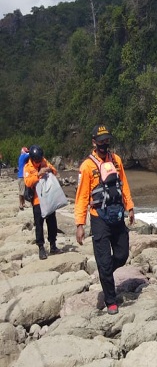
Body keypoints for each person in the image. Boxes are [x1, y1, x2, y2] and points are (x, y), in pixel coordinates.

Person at [74, 124, 135, 315]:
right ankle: (111, 301)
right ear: (94, 142)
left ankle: (105, 270)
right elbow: (82, 196)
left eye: (106, 140)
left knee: (122, 254)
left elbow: (123, 184)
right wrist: (80, 224)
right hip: (98, 218)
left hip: (117, 214)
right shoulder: (87, 166)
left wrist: (130, 207)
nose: (104, 144)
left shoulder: (116, 161)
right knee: (103, 260)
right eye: (100, 141)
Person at [23, 145, 61, 259]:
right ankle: (41, 247)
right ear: (32, 159)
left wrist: (49, 169)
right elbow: (28, 182)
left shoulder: (44, 161)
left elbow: (54, 171)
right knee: (39, 224)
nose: (39, 162)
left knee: (52, 222)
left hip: (48, 197)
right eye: (37, 161)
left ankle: (53, 245)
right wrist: (38, 174)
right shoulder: (27, 167)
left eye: (40, 160)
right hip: (37, 200)